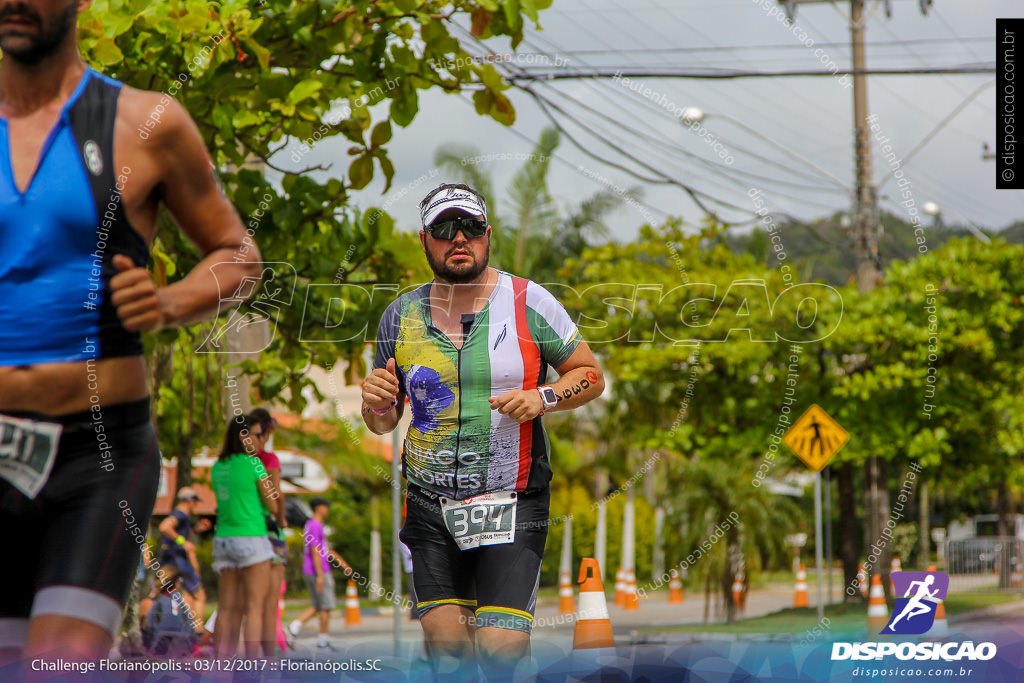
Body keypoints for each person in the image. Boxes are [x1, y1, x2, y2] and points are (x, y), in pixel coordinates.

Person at [0, 0, 260, 665]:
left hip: (100, 453)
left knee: (58, 662)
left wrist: (170, 302)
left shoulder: (145, 124)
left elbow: (239, 256)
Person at [360, 183, 605, 676]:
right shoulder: (399, 315)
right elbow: (383, 420)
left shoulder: (529, 300)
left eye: (470, 228)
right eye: (445, 229)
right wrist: (375, 406)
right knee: (447, 646)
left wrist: (542, 397)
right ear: (424, 239)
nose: (459, 239)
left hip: (512, 500)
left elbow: (590, 375)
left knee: (500, 648)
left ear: (487, 234)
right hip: (429, 503)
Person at [210, 416, 278, 659]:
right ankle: (252, 665)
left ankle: (220, 664)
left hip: (223, 539)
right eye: (254, 435)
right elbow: (272, 505)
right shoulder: (254, 465)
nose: (259, 443)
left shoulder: (217, 466)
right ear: (242, 436)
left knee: (226, 608)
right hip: (251, 537)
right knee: (255, 607)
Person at [248, 407, 289, 657]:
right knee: (270, 605)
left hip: (245, 531)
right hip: (270, 530)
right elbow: (276, 494)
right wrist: (282, 518)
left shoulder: (236, 461)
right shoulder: (269, 459)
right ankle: (271, 660)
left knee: (250, 605)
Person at [288, 498, 351, 651]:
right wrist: (321, 575)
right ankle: (322, 639)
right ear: (318, 508)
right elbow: (315, 550)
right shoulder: (315, 525)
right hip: (317, 570)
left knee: (318, 605)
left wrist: (342, 563)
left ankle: (295, 627)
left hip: (311, 569)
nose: (327, 510)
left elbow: (325, 548)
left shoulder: (312, 525)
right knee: (325, 605)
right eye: (325, 506)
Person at [157, 487, 206, 627]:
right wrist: (182, 542)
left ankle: (184, 631)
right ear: (189, 501)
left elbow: (178, 535)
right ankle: (197, 633)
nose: (195, 506)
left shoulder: (180, 516)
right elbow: (164, 527)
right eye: (195, 502)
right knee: (199, 595)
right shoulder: (180, 514)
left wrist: (196, 530)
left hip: (170, 558)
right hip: (178, 559)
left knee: (186, 596)